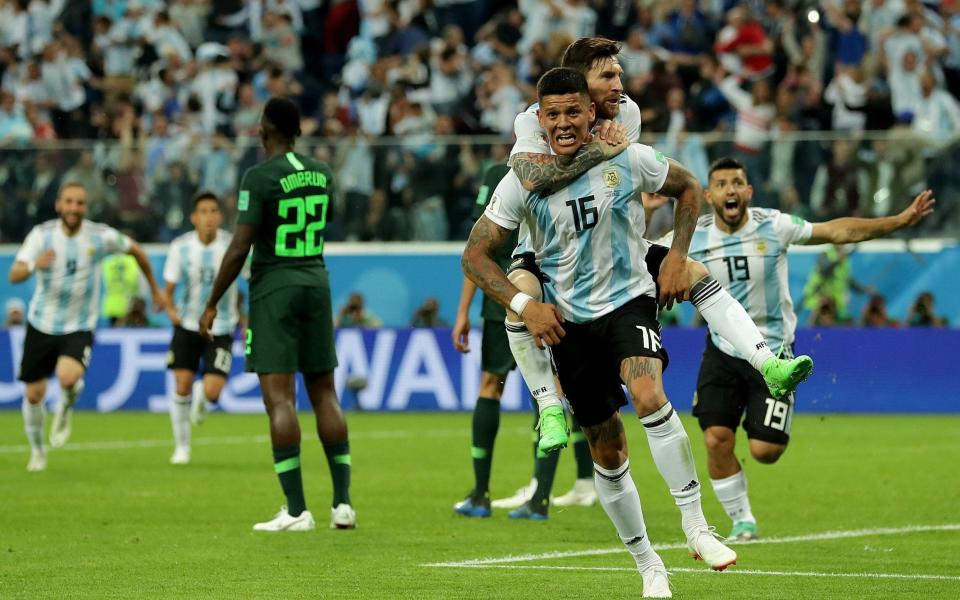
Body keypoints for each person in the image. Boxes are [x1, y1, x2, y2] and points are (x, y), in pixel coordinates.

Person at [497, 36, 812, 517]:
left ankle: (766, 361)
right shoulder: (533, 118)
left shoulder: (628, 114)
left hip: (614, 250)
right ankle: (548, 405)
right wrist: (596, 153)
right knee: (519, 296)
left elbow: (668, 181)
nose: (621, 86)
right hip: (549, 253)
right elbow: (534, 177)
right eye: (610, 77)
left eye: (620, 76)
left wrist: (673, 255)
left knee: (694, 270)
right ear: (579, 84)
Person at [463, 67, 737, 598]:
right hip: (570, 321)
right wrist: (526, 305)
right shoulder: (522, 181)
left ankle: (697, 526)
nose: (564, 123)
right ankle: (648, 563)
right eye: (553, 114)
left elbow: (687, 188)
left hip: (628, 301)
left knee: (648, 391)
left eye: (573, 111)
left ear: (592, 112)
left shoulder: (626, 157)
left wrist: (677, 258)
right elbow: (475, 256)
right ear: (539, 121)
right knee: (606, 449)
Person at [658, 157, 935, 542]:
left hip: (774, 352)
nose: (731, 190)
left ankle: (770, 421)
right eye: (721, 184)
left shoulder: (775, 225)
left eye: (737, 182)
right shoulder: (692, 237)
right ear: (708, 195)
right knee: (715, 438)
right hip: (721, 350)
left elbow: (838, 232)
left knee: (765, 451)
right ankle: (743, 521)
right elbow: (636, 258)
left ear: (749, 191)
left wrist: (898, 222)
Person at [198, 97, 355, 532]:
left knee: (280, 399)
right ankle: (342, 504)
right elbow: (330, 217)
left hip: (275, 287)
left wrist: (212, 301)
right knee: (325, 392)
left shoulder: (260, 177)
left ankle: (296, 510)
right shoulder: (322, 173)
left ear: (263, 129)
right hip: (316, 282)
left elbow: (239, 246)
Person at [8, 181, 165, 471]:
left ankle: (65, 405)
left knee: (68, 378)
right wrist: (34, 265)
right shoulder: (41, 236)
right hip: (41, 323)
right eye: (68, 202)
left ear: (85, 208)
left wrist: (155, 290)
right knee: (34, 395)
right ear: (58, 205)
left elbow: (136, 251)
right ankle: (38, 451)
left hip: (79, 324)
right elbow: (14, 274)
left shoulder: (99, 237)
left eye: (79, 203)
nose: (73, 208)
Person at [451, 161, 568, 521]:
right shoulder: (497, 173)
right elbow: (479, 247)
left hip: (547, 292)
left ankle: (539, 497)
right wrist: (463, 311)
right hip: (501, 296)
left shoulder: (570, 167)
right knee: (494, 384)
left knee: (548, 390)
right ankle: (482, 493)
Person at [162, 192, 244, 465]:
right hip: (188, 326)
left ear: (220, 216)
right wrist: (172, 311)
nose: (208, 217)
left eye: (213, 211)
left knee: (212, 392)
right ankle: (182, 447)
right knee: (181, 385)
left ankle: (202, 397)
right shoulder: (180, 247)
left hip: (221, 327)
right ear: (194, 218)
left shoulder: (234, 246)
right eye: (203, 212)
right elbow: (170, 288)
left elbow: (253, 279)